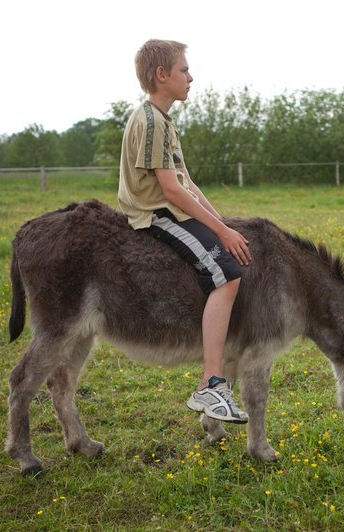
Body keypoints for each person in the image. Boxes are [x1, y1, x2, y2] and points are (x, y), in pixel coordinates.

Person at [118, 39, 251, 423]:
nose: (191, 77)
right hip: (155, 214)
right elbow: (172, 190)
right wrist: (221, 234)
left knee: (226, 252)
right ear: (162, 76)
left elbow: (188, 183)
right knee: (226, 276)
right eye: (184, 70)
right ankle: (211, 384)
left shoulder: (163, 120)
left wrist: (222, 224)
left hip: (172, 206)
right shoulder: (150, 121)